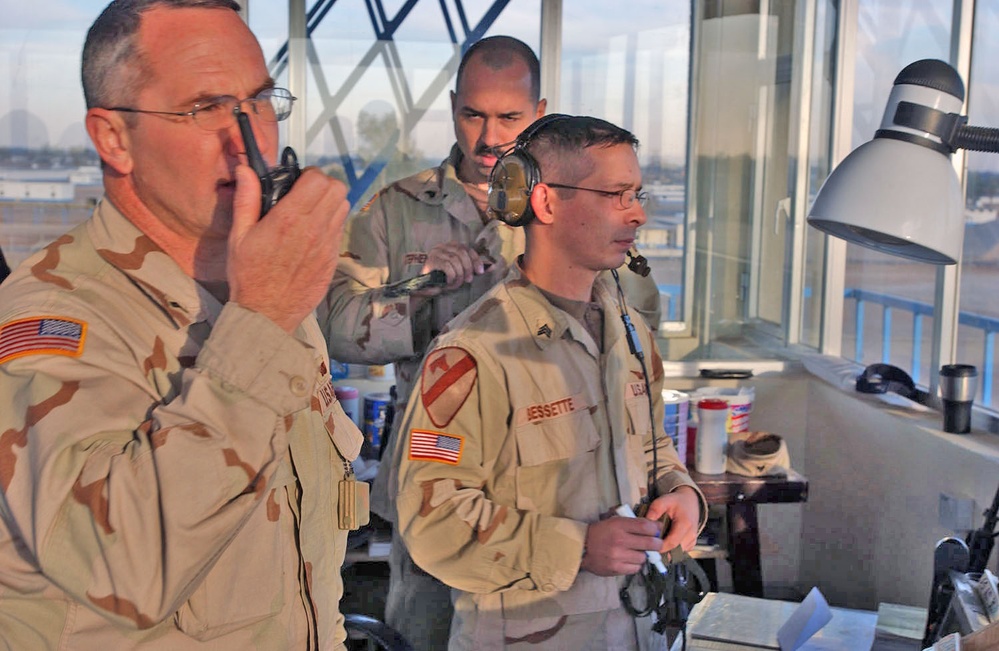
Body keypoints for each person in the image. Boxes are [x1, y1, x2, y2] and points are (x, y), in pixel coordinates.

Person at [0, 1, 361, 649]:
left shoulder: (262, 289)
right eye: (205, 108)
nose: (248, 137)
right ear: (113, 138)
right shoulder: (51, 316)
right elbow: (123, 563)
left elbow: (309, 570)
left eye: (258, 101)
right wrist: (261, 322)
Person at [317, 35, 661, 649]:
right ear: (452, 107)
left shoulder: (573, 215)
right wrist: (417, 296)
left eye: (510, 118)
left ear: (540, 111)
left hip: (554, 478)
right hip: (445, 474)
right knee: (426, 633)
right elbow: (335, 327)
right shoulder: (396, 211)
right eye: (472, 114)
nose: (488, 137)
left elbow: (636, 347)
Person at [393, 115, 707, 650]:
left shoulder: (629, 332)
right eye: (615, 194)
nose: (638, 213)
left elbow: (651, 444)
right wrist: (577, 548)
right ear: (544, 203)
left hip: (637, 630)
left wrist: (681, 491)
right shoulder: (475, 352)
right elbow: (433, 522)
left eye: (637, 192)